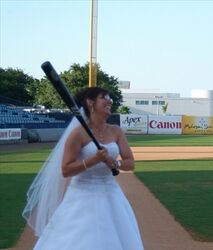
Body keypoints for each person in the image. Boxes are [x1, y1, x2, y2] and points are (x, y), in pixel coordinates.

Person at [23, 87, 144, 250]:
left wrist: (116, 164)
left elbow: (130, 163)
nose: (109, 101)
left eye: (110, 98)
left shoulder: (116, 131)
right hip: (82, 196)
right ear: (90, 103)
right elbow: (66, 170)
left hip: (112, 195)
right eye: (104, 97)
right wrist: (93, 160)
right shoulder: (77, 134)